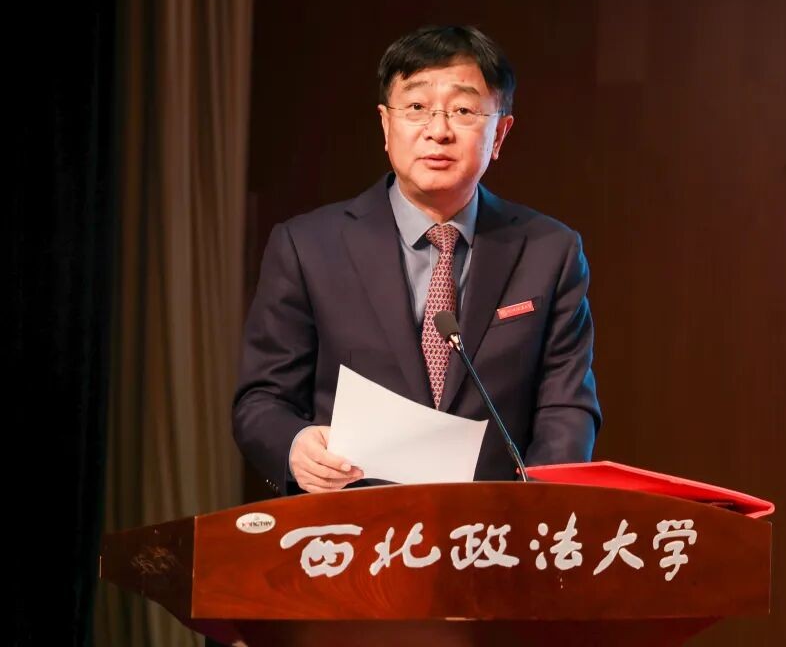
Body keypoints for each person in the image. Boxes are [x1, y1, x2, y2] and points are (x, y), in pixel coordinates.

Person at [233, 25, 600, 496]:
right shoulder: (308, 246)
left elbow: (566, 408)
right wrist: (294, 446)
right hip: (353, 520)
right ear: (386, 126)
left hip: (492, 526)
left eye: (463, 110)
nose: (438, 131)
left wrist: (535, 507)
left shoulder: (550, 251)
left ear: (500, 133)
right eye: (417, 108)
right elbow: (262, 400)